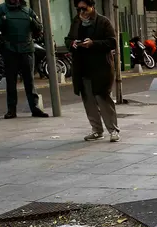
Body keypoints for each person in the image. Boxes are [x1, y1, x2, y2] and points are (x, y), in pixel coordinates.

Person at [65, 0, 119, 142]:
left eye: (84, 9)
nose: (81, 12)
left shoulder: (103, 22)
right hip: (82, 68)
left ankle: (113, 130)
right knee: (88, 101)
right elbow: (68, 39)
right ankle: (97, 130)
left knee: (103, 99)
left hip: (100, 67)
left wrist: (93, 44)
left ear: (92, 7)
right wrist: (73, 43)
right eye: (78, 9)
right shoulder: (76, 21)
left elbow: (112, 42)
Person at [0, 0, 48, 119]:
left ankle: (34, 107)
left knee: (29, 81)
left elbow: (39, 28)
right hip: (10, 50)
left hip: (26, 49)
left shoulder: (27, 10)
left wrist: (32, 21)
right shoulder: (2, 9)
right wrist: (3, 20)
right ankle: (11, 110)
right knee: (11, 81)